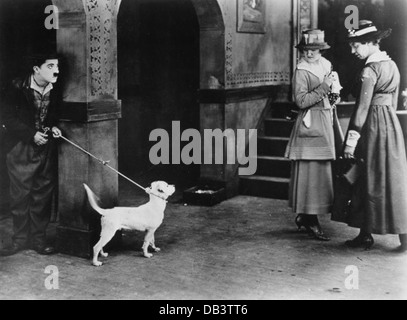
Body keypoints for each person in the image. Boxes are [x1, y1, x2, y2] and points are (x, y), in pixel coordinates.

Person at [340, 20, 407, 252]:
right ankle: (403, 237)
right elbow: (395, 100)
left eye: (356, 45)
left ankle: (365, 234)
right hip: (391, 126)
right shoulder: (393, 65)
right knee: (392, 177)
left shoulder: (369, 70)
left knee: (365, 176)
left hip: (372, 127)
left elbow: (362, 108)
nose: (353, 50)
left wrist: (350, 142)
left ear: (370, 43)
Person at [0, 52, 62, 256]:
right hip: (21, 147)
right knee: (20, 196)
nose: (57, 71)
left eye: (57, 66)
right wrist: (30, 134)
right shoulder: (17, 87)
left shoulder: (55, 88)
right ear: (36, 69)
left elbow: (54, 114)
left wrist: (53, 127)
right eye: (51, 66)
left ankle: (38, 240)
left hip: (46, 147)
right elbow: (7, 117)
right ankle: (19, 240)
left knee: (42, 194)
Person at [285, 29, 343, 241]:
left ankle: (307, 217)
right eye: (305, 50)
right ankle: (310, 218)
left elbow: (330, 91)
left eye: (314, 49)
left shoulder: (326, 65)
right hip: (310, 123)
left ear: (321, 49)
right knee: (311, 173)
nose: (309, 54)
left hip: (325, 121)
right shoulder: (301, 70)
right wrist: (324, 87)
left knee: (322, 174)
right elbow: (300, 102)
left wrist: (334, 92)